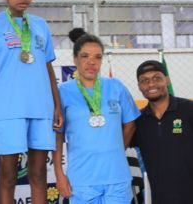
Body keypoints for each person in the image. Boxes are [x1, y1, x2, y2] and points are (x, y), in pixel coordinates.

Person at [0, 0, 63, 203]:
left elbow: (48, 68)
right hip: (8, 110)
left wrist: (56, 106)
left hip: (41, 109)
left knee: (40, 173)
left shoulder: (41, 25)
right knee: (8, 174)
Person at [53, 28, 140, 204]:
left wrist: (116, 149)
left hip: (116, 176)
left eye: (97, 57)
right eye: (85, 56)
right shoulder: (62, 92)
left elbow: (130, 123)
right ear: (75, 59)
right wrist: (59, 174)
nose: (91, 62)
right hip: (82, 179)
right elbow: (57, 135)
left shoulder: (116, 86)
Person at [134, 60, 193, 204]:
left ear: (167, 80)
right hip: (161, 198)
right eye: (145, 80)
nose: (151, 84)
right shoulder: (138, 121)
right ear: (139, 87)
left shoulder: (189, 110)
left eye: (156, 78)